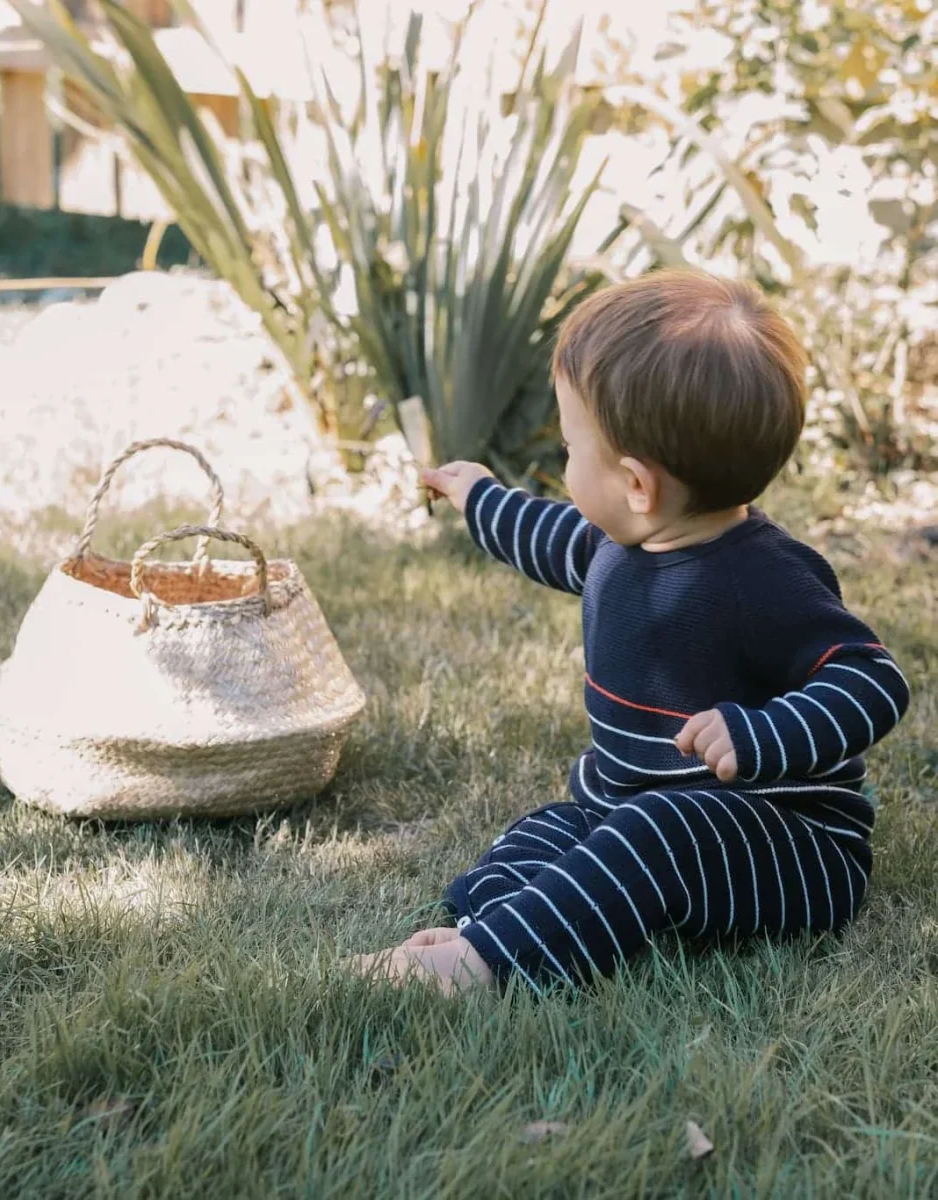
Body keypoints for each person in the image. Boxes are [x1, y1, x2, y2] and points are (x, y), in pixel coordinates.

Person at [348, 269, 910, 997]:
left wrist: (762, 734)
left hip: (786, 842)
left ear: (638, 486)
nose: (562, 467)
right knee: (547, 833)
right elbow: (544, 533)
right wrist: (477, 495)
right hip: (628, 807)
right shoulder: (617, 542)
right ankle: (490, 924)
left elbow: (872, 680)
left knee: (656, 836)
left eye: (572, 451)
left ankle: (484, 967)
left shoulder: (764, 578)